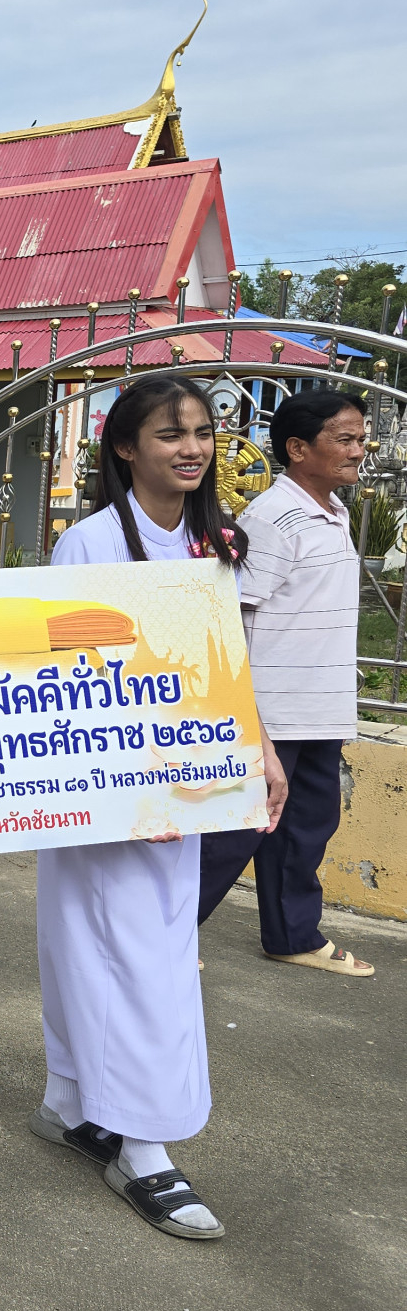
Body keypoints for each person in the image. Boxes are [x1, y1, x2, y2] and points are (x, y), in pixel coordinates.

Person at [30, 376, 286, 1241]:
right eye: (169, 433)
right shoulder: (90, 543)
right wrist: (123, 779)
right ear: (123, 447)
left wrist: (261, 751)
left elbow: (227, 665)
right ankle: (142, 1144)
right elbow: (65, 671)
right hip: (108, 788)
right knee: (130, 956)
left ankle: (72, 1103)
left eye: (202, 432)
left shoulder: (213, 544)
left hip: (186, 786)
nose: (190, 447)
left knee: (135, 945)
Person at [198, 390, 374, 976]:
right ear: (298, 448)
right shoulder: (274, 518)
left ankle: (293, 935)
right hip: (270, 711)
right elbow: (233, 615)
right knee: (230, 836)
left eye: (361, 437)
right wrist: (245, 715)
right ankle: (158, 938)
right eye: (345, 439)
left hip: (319, 709)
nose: (359, 450)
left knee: (304, 830)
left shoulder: (330, 510)